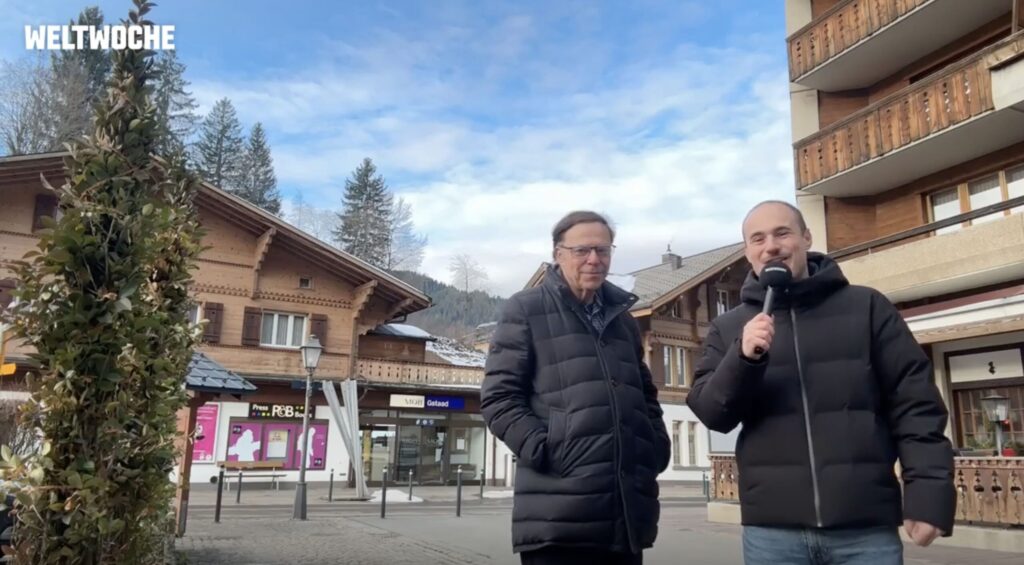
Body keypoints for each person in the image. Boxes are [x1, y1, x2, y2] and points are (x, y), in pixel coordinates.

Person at [687, 200, 955, 565]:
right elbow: (711, 412)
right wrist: (744, 358)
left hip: (864, 528)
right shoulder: (730, 328)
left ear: (806, 238)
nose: (772, 246)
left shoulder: (867, 308)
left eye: (783, 233)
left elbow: (916, 406)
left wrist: (928, 495)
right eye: (758, 239)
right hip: (772, 533)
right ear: (748, 252)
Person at [481, 210, 670, 565]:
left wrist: (654, 446)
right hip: (558, 518)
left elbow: (645, 396)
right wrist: (547, 449)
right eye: (583, 250)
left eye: (604, 250)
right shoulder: (526, 309)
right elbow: (499, 399)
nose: (595, 260)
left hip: (627, 514)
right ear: (558, 254)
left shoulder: (624, 322)